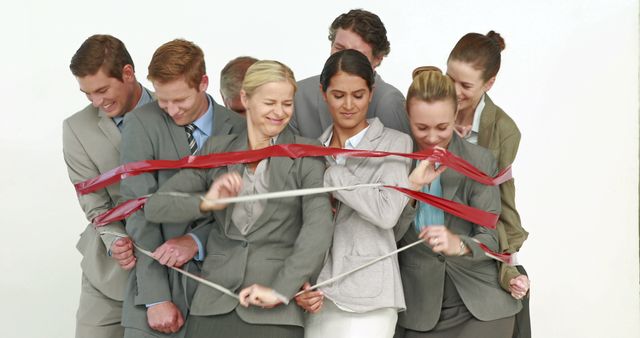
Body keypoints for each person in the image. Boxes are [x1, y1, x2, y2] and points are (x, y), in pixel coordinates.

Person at [144, 60, 335, 338]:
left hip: (273, 312)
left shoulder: (307, 153)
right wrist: (206, 202)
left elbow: (317, 229)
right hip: (211, 306)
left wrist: (281, 290)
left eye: (287, 103)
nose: (280, 113)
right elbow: (156, 206)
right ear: (245, 98)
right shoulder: (218, 150)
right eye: (270, 102)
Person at [119, 39, 245, 338]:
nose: (171, 110)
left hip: (223, 289)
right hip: (156, 281)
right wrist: (156, 297)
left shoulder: (240, 127)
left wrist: (196, 240)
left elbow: (246, 206)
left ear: (203, 82)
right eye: (163, 100)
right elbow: (138, 209)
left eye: (180, 100)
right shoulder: (140, 123)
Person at [394, 67, 521, 338]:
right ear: (408, 116)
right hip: (421, 309)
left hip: (481, 303)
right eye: (421, 127)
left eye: (442, 127)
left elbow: (490, 236)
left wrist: (459, 244)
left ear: (455, 116)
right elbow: (386, 236)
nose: (431, 137)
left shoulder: (479, 161)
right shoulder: (392, 161)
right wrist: (411, 187)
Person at [294, 49, 411, 338]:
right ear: (323, 93)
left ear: (371, 93)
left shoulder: (396, 143)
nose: (348, 105)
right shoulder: (310, 151)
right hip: (318, 297)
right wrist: (300, 284)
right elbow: (299, 226)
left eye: (358, 95)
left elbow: (387, 213)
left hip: (370, 298)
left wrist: (334, 174)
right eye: (338, 95)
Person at [63, 34, 153, 338]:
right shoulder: (76, 129)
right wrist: (116, 242)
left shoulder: (176, 108)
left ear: (128, 73)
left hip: (176, 269)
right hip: (109, 273)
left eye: (102, 90)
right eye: (88, 94)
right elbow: (95, 203)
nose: (97, 102)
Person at [446, 31, 530, 337]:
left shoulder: (504, 131)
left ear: (489, 83)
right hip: (428, 252)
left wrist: (508, 264)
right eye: (449, 77)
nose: (453, 90)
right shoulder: (429, 107)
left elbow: (501, 204)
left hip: (479, 244)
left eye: (465, 85)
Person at [290, 9, 410, 138]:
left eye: (357, 53)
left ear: (377, 59)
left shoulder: (390, 102)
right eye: (339, 48)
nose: (345, 57)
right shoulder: (298, 94)